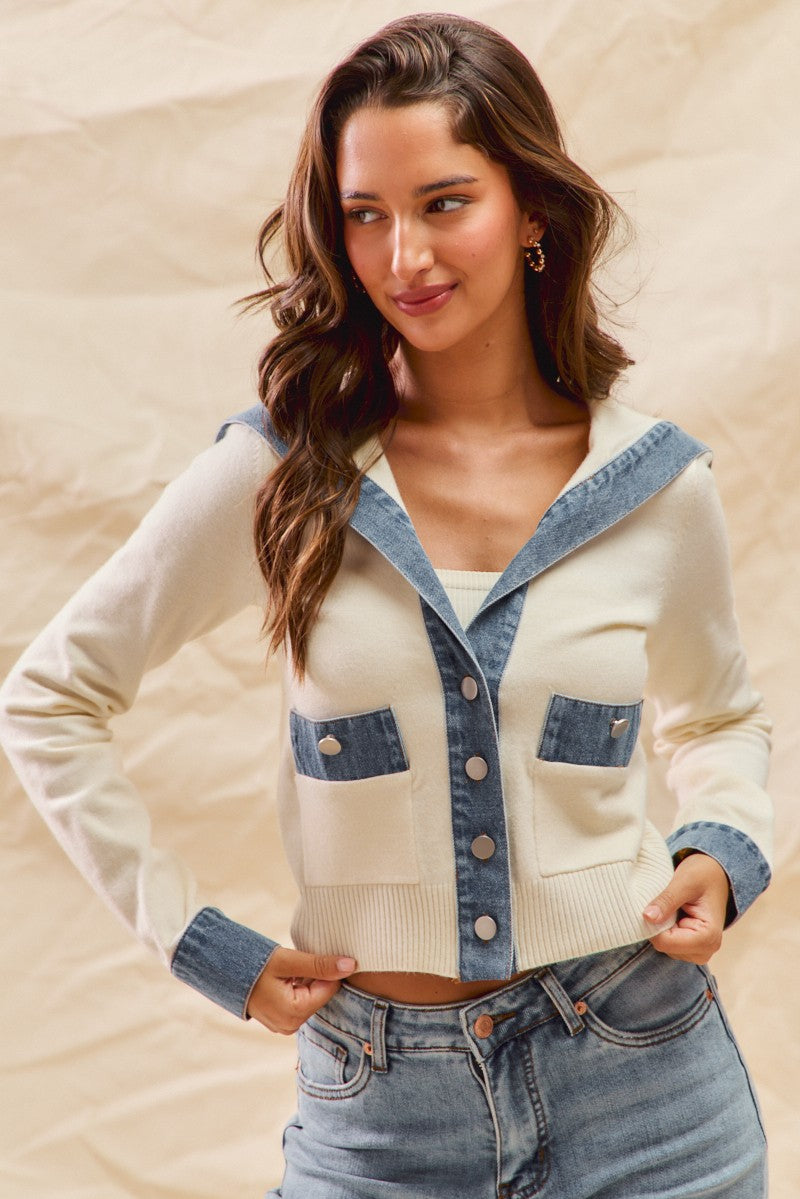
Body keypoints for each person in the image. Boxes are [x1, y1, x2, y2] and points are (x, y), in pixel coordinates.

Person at [0, 13, 772, 1198]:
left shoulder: (655, 486)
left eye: (443, 203)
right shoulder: (283, 473)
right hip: (377, 1108)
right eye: (364, 213)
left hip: (645, 1081)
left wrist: (716, 845)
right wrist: (203, 944)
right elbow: (49, 699)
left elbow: (716, 718)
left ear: (531, 212)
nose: (402, 255)